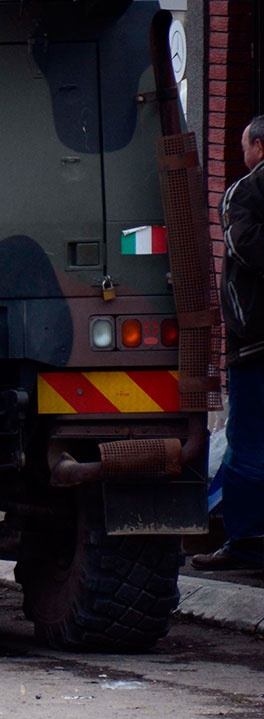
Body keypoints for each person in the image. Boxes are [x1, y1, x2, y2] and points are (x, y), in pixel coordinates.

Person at [193, 116, 264, 572]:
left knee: (248, 446)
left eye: (245, 147)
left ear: (258, 145)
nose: (243, 156)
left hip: (255, 343)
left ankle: (247, 543)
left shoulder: (245, 192)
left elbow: (243, 248)